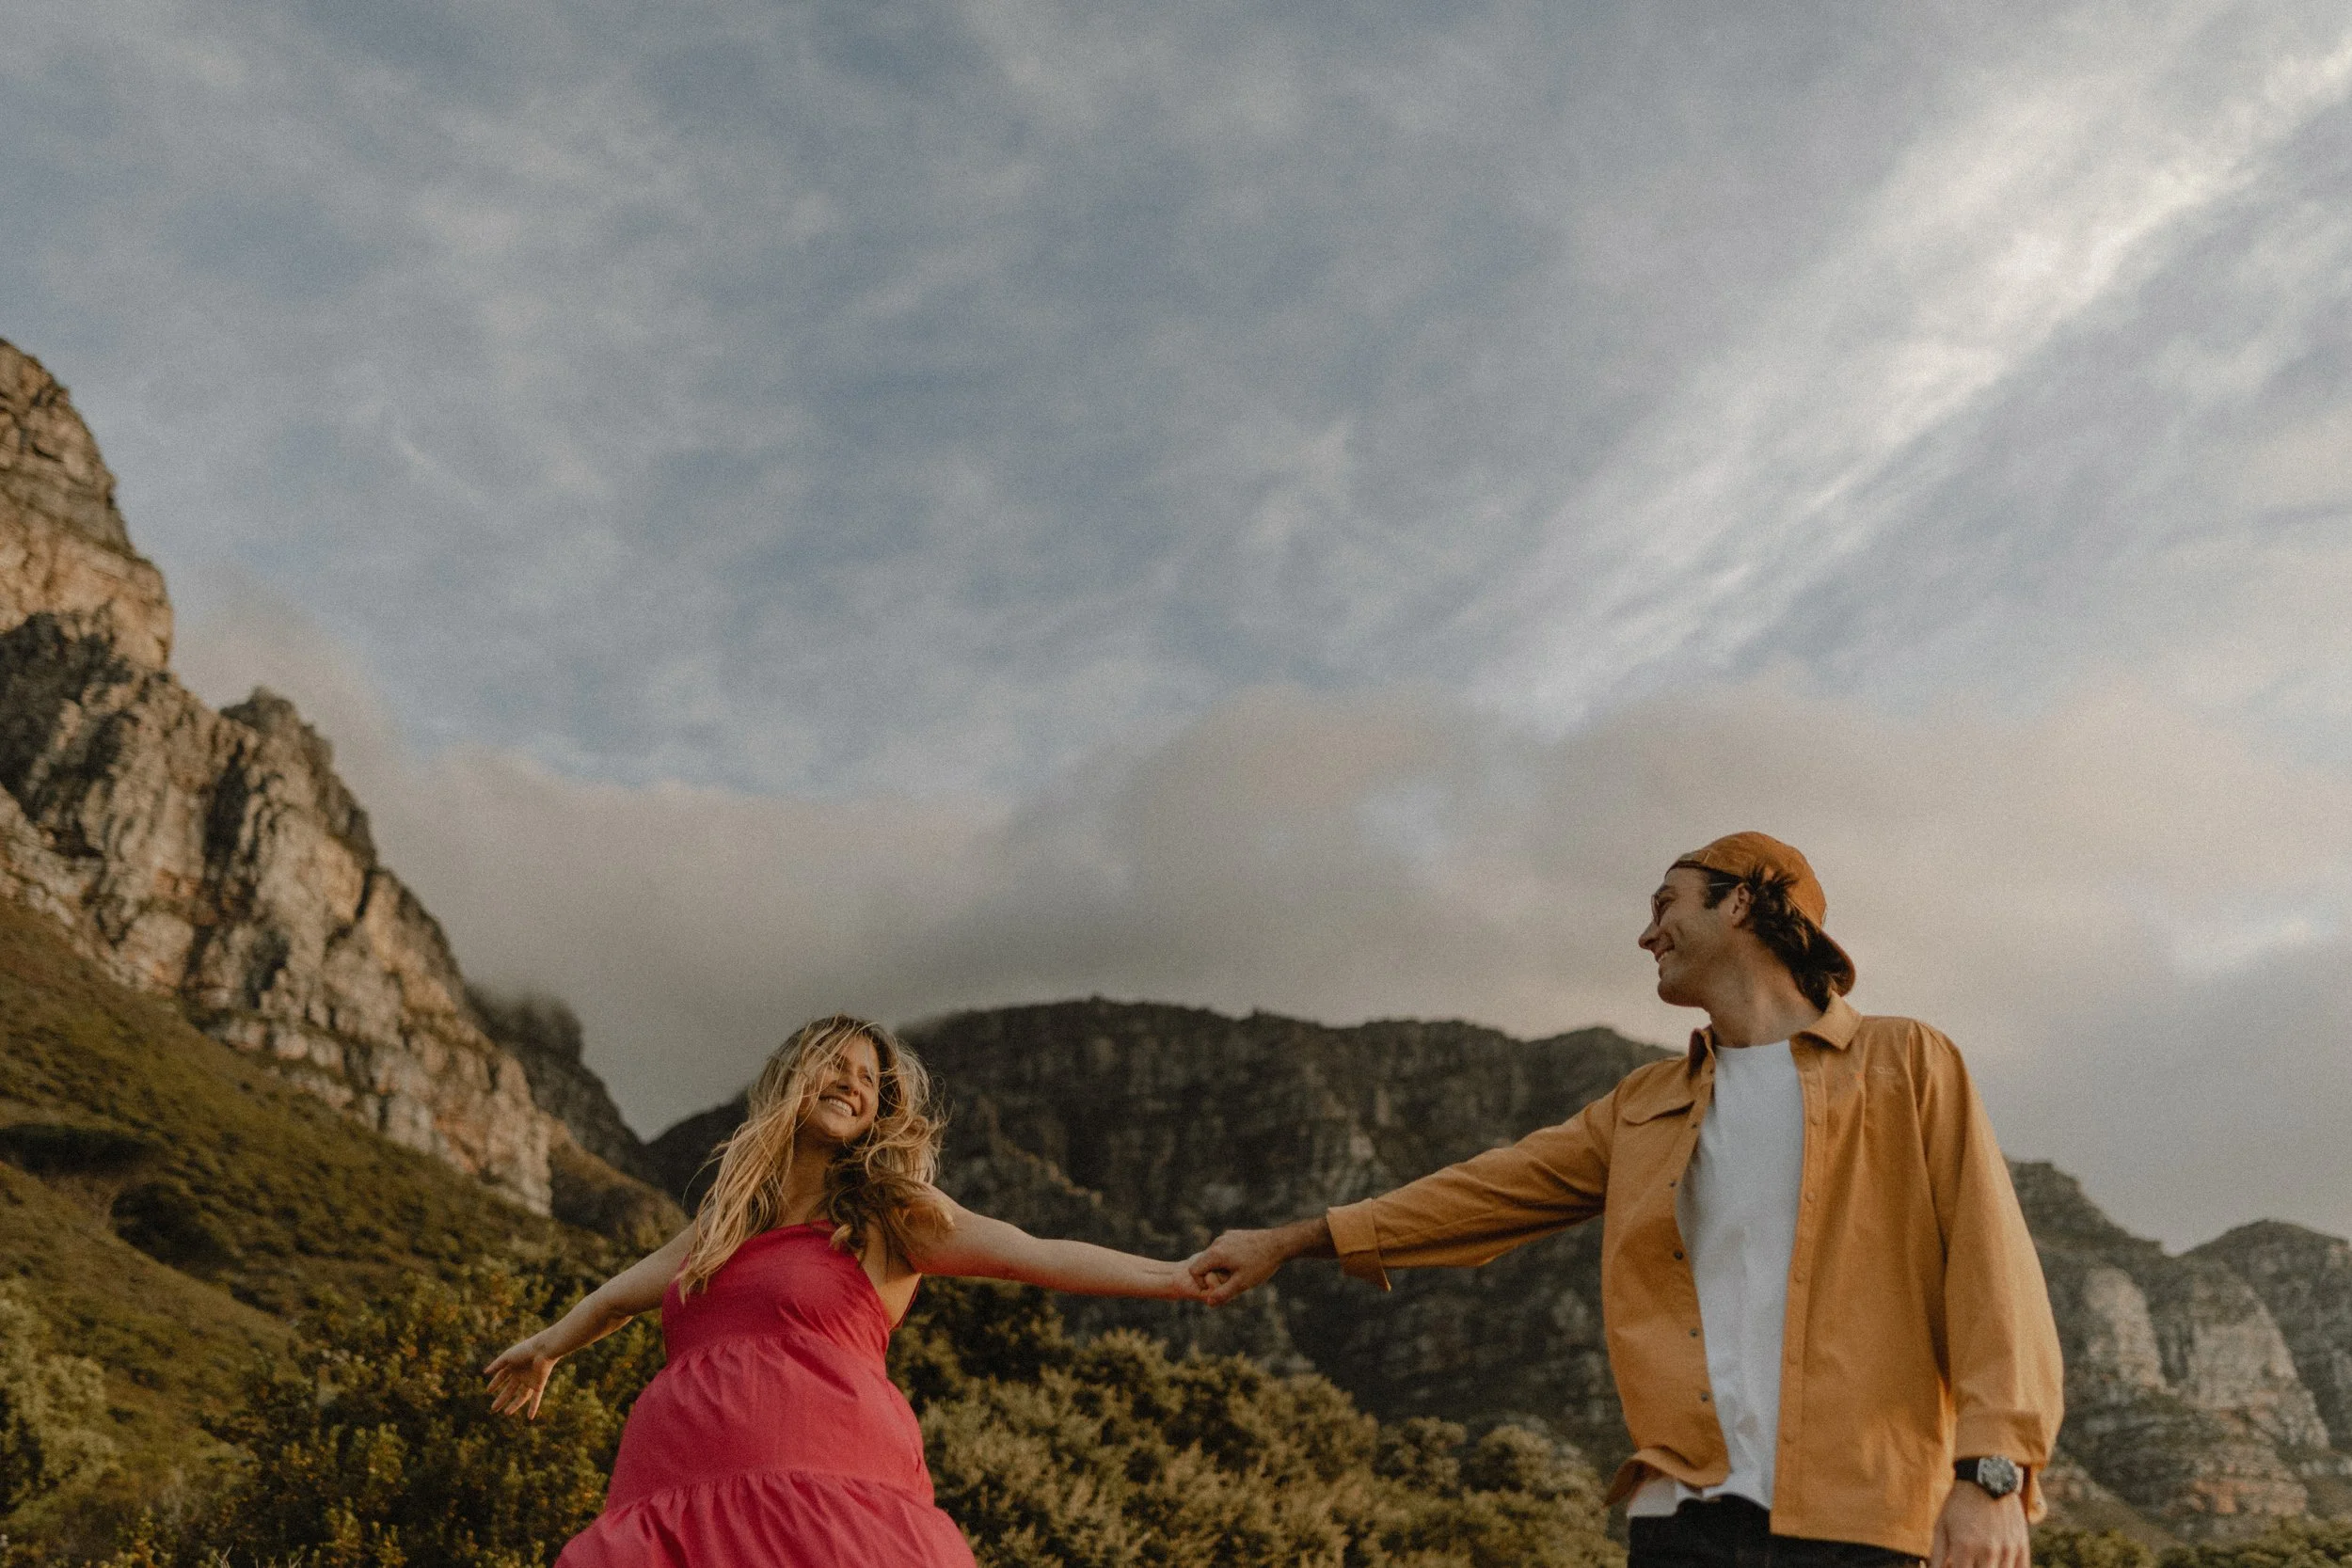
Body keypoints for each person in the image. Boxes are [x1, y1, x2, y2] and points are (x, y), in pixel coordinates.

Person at [1189, 832, 2063, 1568]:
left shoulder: (1906, 1060)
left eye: (1666, 904)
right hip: (1680, 1519)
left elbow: (1994, 1271)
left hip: (1864, 1518)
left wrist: (1992, 1473)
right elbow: (1482, 1193)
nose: (1647, 934)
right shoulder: (1644, 1104)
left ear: (1743, 904)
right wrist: (1289, 1239)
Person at [486, 1014, 1208, 1568]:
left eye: (868, 1078)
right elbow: (617, 1296)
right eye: (834, 1061)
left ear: (877, 1111)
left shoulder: (888, 1215)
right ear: (789, 1076)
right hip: (677, 1496)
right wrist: (547, 1348)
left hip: (823, 1502)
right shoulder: (727, 1221)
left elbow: (1030, 1253)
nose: (852, 1080)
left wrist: (1172, 1277)